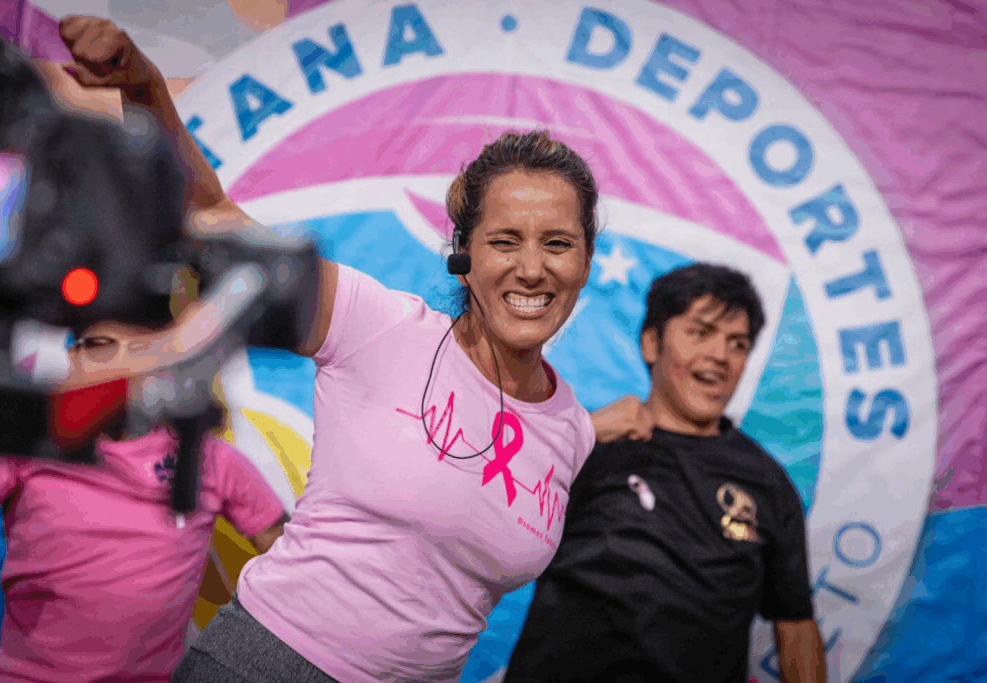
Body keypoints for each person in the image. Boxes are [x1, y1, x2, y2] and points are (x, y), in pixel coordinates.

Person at [53, 14, 601, 683]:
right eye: (504, 241)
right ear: (464, 254)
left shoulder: (572, 430)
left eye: (557, 243)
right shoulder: (382, 326)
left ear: (586, 260)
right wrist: (145, 89)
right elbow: (211, 215)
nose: (531, 269)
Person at [504, 263, 826, 683]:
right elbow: (477, 513)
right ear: (651, 343)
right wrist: (579, 433)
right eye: (701, 332)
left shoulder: (767, 481)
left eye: (738, 343)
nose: (720, 355)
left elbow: (796, 626)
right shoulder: (588, 443)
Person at [0, 320, 290, 683]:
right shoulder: (31, 447)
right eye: (82, 347)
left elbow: (291, 560)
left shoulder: (210, 459)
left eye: (104, 346)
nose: (84, 359)